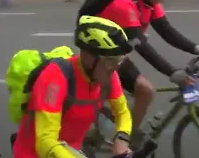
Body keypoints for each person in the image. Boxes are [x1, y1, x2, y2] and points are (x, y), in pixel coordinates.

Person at [77, 0, 199, 143]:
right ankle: (96, 132)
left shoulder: (150, 4)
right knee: (143, 89)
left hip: (115, 52)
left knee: (144, 92)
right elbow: (140, 45)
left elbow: (167, 32)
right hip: (96, 55)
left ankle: (127, 137)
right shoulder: (124, 4)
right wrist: (171, 71)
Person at [13, 15, 134, 158]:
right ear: (88, 56)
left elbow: (122, 112)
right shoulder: (54, 79)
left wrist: (121, 138)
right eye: (110, 61)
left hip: (69, 151)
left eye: (119, 61)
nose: (114, 68)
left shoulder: (108, 75)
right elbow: (45, 141)